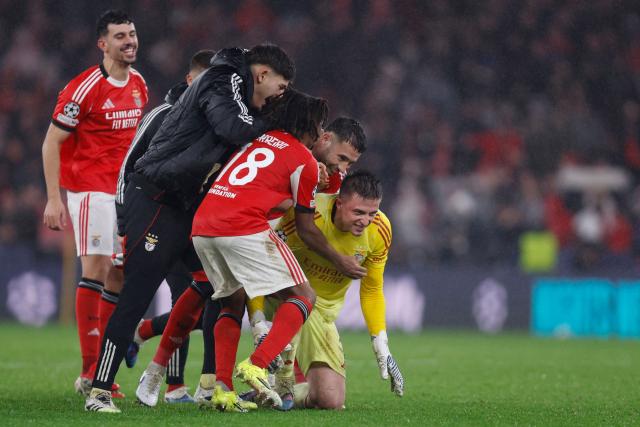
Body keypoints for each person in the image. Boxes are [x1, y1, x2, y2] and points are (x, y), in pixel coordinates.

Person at [85, 43, 295, 414]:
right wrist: (274, 125)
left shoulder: (240, 96)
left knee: (216, 288)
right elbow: (231, 128)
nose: (279, 97)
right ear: (261, 74)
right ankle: (98, 391)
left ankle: (209, 383)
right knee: (137, 294)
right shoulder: (225, 77)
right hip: (155, 199)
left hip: (186, 204)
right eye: (279, 88)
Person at [133, 116, 368, 407]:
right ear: (324, 138)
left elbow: (301, 209)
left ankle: (217, 386)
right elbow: (290, 210)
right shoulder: (289, 149)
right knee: (232, 293)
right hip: (243, 224)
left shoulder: (325, 173)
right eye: (342, 158)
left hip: (249, 227)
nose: (343, 168)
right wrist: (257, 322)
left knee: (217, 295)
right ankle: (169, 371)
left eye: (350, 163)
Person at [189, 89, 367, 412]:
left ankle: (222, 389)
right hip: (241, 227)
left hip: (203, 224)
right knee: (303, 296)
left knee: (232, 303)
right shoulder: (304, 160)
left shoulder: (262, 139)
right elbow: (306, 228)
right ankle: (258, 364)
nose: (342, 167)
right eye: (319, 128)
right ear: (315, 133)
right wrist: (339, 259)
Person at [41, 9, 148, 398]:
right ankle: (90, 372)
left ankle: (105, 359)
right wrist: (54, 199)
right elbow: (52, 141)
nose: (130, 41)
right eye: (120, 36)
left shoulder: (138, 83)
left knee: (118, 274)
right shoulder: (83, 88)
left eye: (132, 34)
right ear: (103, 44)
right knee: (97, 269)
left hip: (123, 193)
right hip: (89, 189)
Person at [114, 49, 216, 404]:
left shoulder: (211, 125)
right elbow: (129, 166)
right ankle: (174, 387)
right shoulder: (163, 115)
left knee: (203, 303)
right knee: (184, 299)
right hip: (159, 216)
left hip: (194, 221)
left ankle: (144, 335)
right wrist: (123, 217)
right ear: (190, 80)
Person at [269, 170, 404, 410]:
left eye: (372, 213)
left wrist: (381, 344)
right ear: (339, 203)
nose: (366, 220)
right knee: (297, 300)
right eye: (358, 212)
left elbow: (372, 289)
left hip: (323, 312)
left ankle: (276, 394)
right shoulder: (309, 214)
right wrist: (258, 316)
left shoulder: (380, 230)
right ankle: (271, 378)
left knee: (330, 401)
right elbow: (268, 259)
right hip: (289, 297)